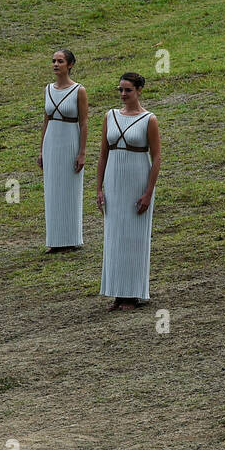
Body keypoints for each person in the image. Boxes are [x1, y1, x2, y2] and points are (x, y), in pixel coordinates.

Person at [96, 72, 161, 310]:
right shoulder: (110, 116)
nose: (123, 94)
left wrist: (148, 192)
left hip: (137, 181)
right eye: (120, 90)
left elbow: (156, 158)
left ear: (139, 90)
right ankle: (117, 293)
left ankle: (132, 294)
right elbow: (103, 154)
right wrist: (99, 189)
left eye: (128, 90)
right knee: (114, 237)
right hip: (114, 183)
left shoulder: (149, 120)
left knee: (134, 238)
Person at [38, 49, 87, 251]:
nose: (56, 65)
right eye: (54, 61)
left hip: (70, 141)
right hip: (52, 143)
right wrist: (41, 149)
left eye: (60, 61)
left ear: (70, 65)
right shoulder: (48, 89)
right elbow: (46, 120)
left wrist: (82, 152)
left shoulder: (79, 90)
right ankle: (54, 241)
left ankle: (71, 239)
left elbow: (83, 123)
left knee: (70, 190)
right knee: (52, 190)